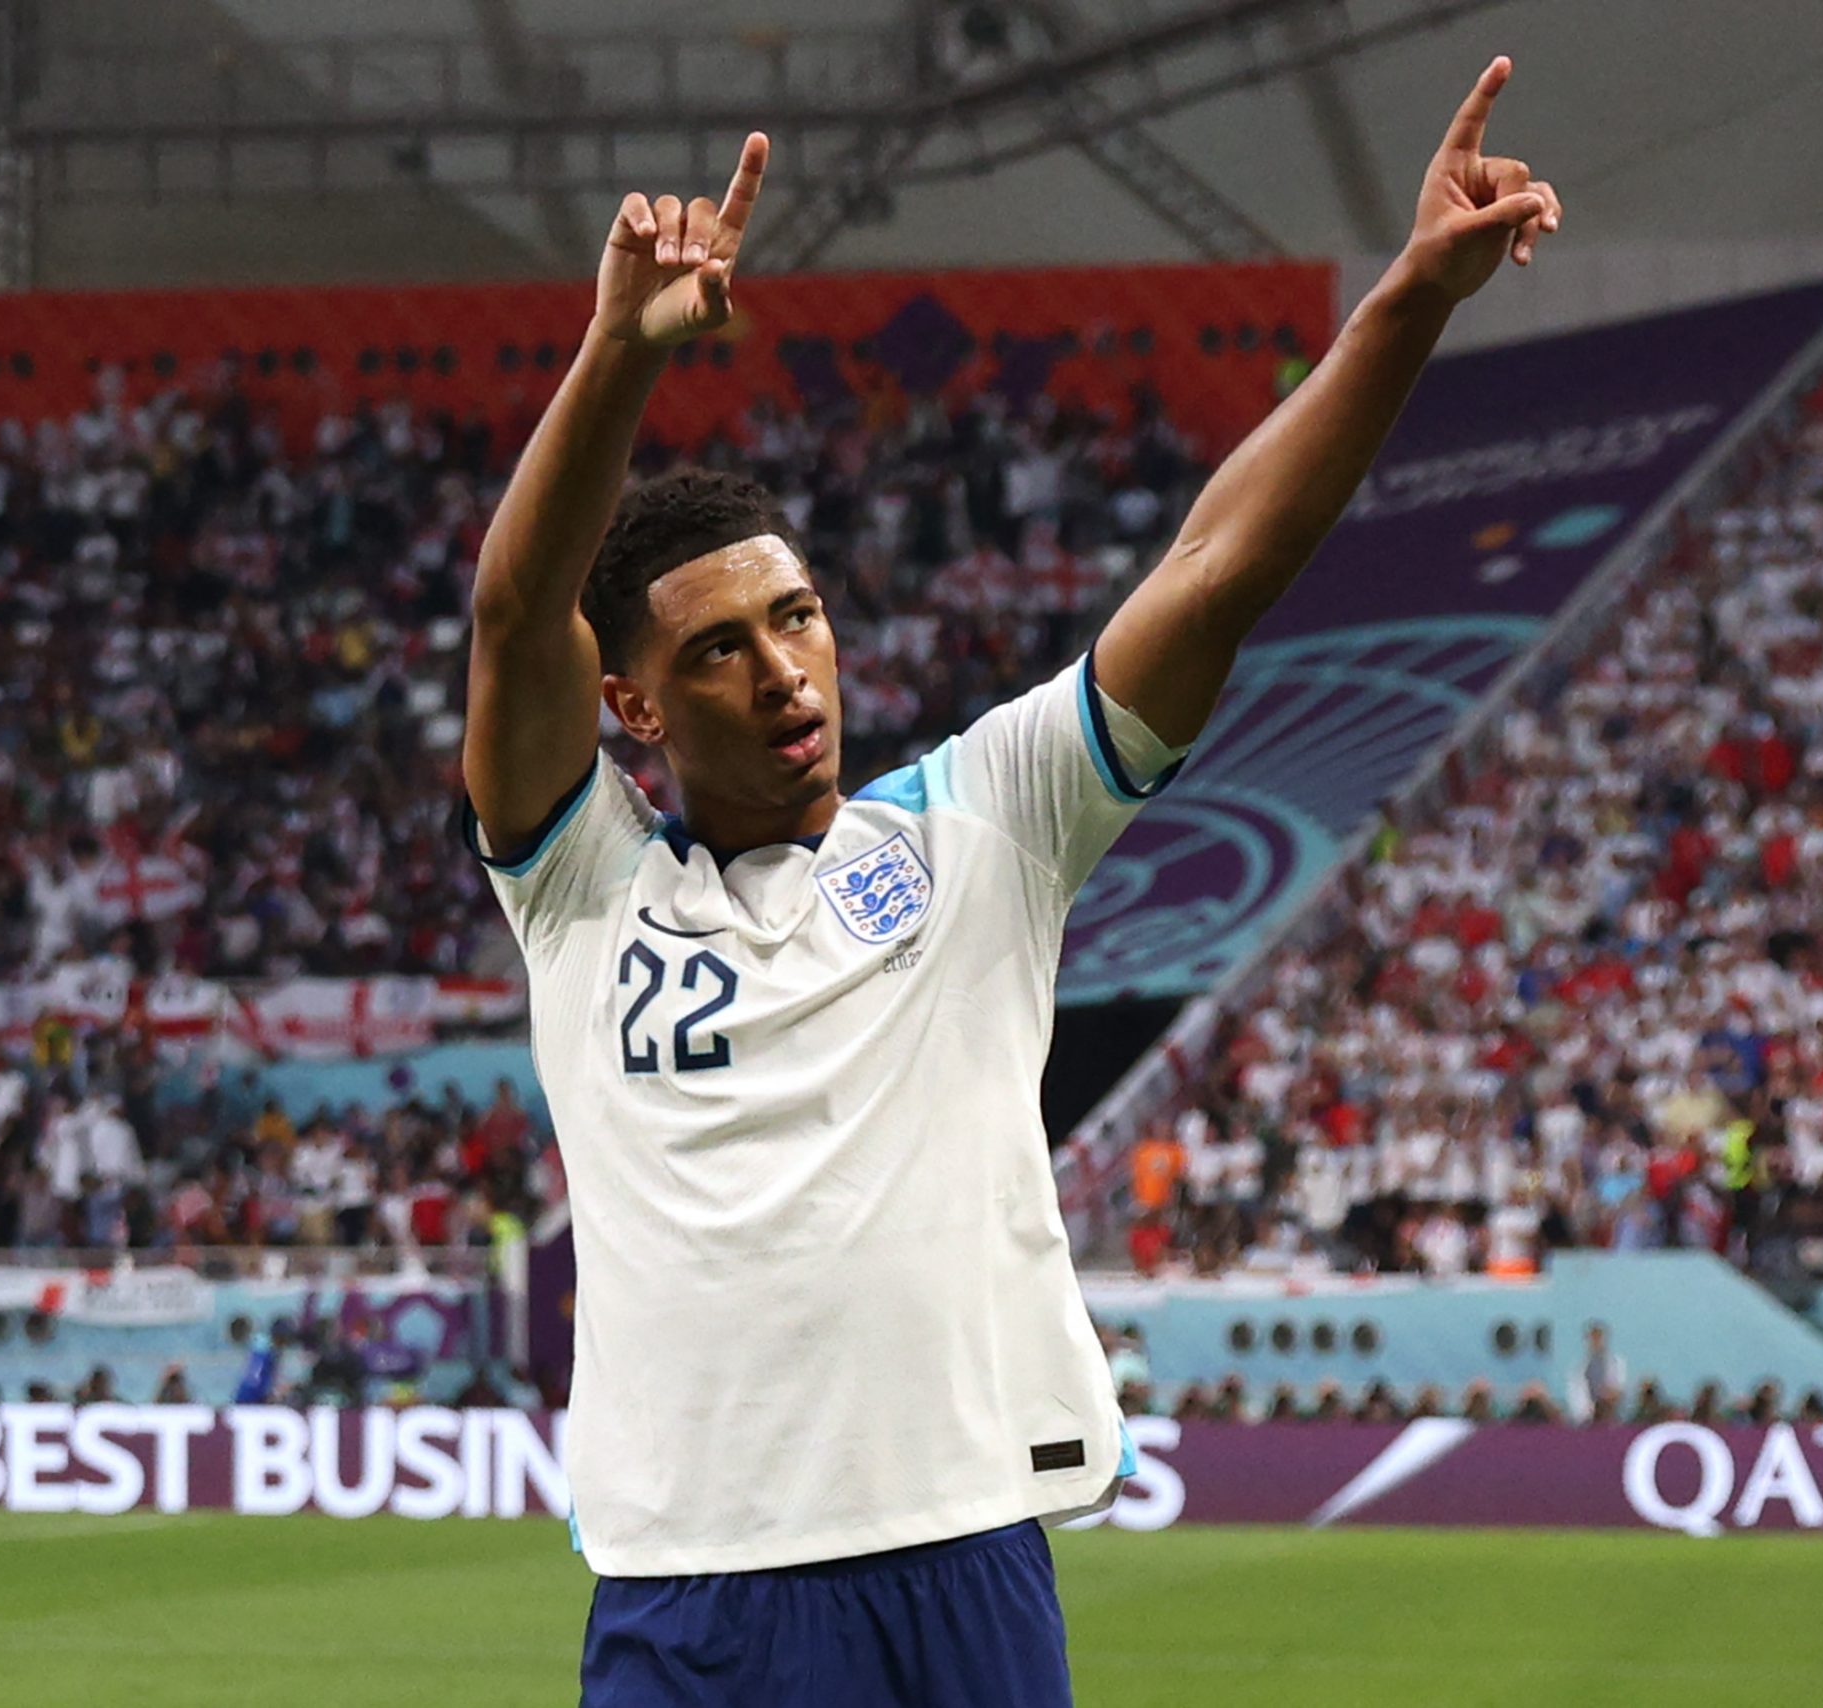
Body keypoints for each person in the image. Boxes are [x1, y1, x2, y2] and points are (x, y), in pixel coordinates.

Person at [456, 59, 1560, 1708]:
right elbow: (511, 610)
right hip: (693, 1585)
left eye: (799, 616)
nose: (783, 669)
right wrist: (621, 352)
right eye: (719, 649)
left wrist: (1406, 299)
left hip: (965, 1551)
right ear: (633, 705)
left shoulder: (983, 822)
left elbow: (1219, 563)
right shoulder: (578, 885)